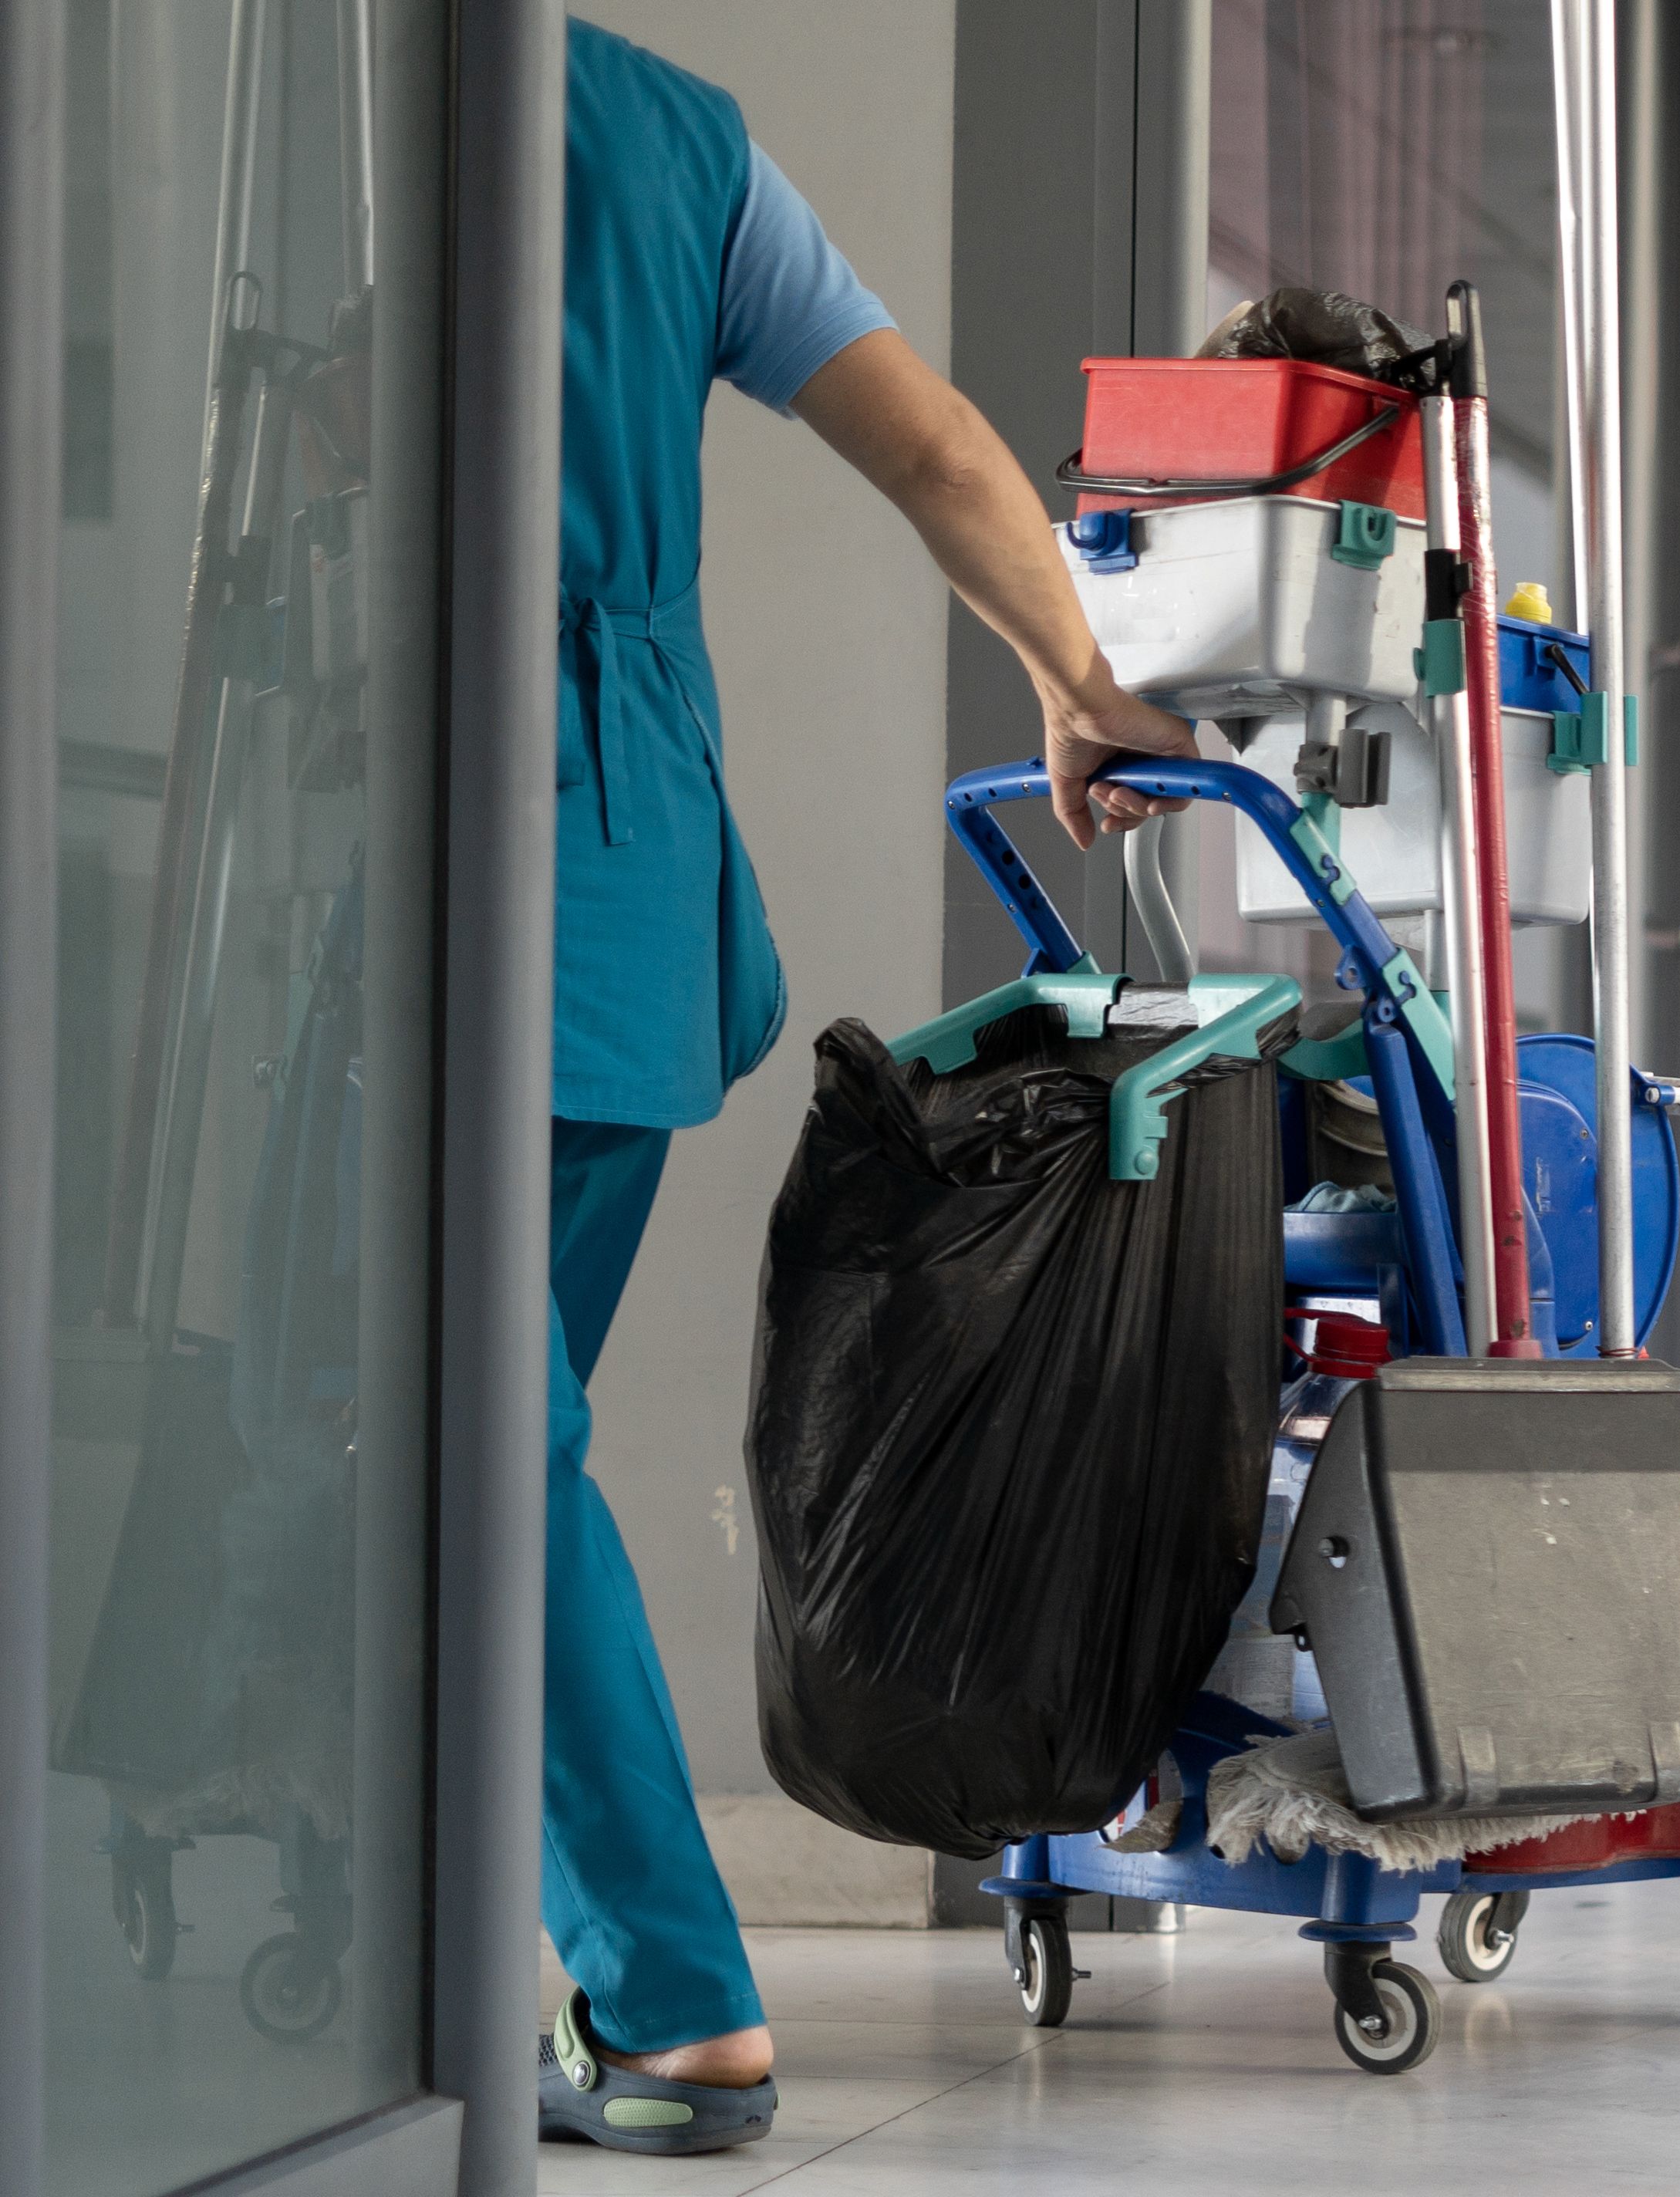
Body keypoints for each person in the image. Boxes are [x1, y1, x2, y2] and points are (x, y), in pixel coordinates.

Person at [536, 19, 1192, 2154]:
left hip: (419, 875)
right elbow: (929, 445)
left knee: (448, 1432)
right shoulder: (678, 143)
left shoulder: (308, 99)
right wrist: (1078, 686)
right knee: (452, 1424)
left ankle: (667, 1997)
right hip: (615, 870)